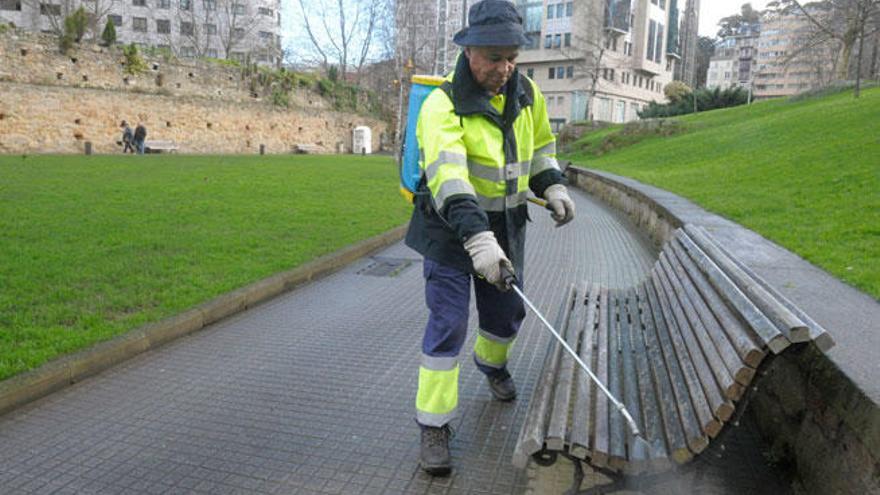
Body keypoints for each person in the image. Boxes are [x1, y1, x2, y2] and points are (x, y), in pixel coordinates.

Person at [404, 0, 576, 476]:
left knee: (506, 317)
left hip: (507, 226)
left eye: (511, 58)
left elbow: (542, 148)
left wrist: (553, 184)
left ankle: (491, 364)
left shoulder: (528, 95)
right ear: (470, 51)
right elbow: (451, 182)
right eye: (494, 58)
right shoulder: (442, 104)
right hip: (449, 232)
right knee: (449, 324)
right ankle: (433, 426)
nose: (504, 69)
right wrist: (478, 243)